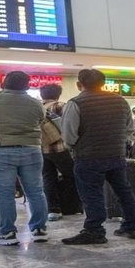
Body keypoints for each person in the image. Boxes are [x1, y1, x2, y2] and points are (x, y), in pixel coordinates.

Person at [60, 69, 135, 244]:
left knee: (92, 194)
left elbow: (68, 135)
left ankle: (94, 230)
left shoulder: (76, 103)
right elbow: (129, 129)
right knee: (124, 191)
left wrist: (73, 147)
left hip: (88, 156)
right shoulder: (120, 101)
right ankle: (131, 226)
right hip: (116, 154)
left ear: (79, 84)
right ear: (103, 83)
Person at [0, 71, 49, 245]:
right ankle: (39, 230)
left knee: (4, 195)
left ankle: (7, 233)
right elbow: (41, 121)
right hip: (31, 150)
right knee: (36, 192)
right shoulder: (36, 103)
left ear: (3, 84)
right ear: (27, 85)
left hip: (0, 151)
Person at [39, 83, 81, 222]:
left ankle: (53, 210)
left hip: (42, 149)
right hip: (61, 148)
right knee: (72, 176)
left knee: (48, 178)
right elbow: (71, 126)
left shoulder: (37, 107)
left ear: (42, 94)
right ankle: (70, 207)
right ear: (58, 94)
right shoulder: (61, 106)